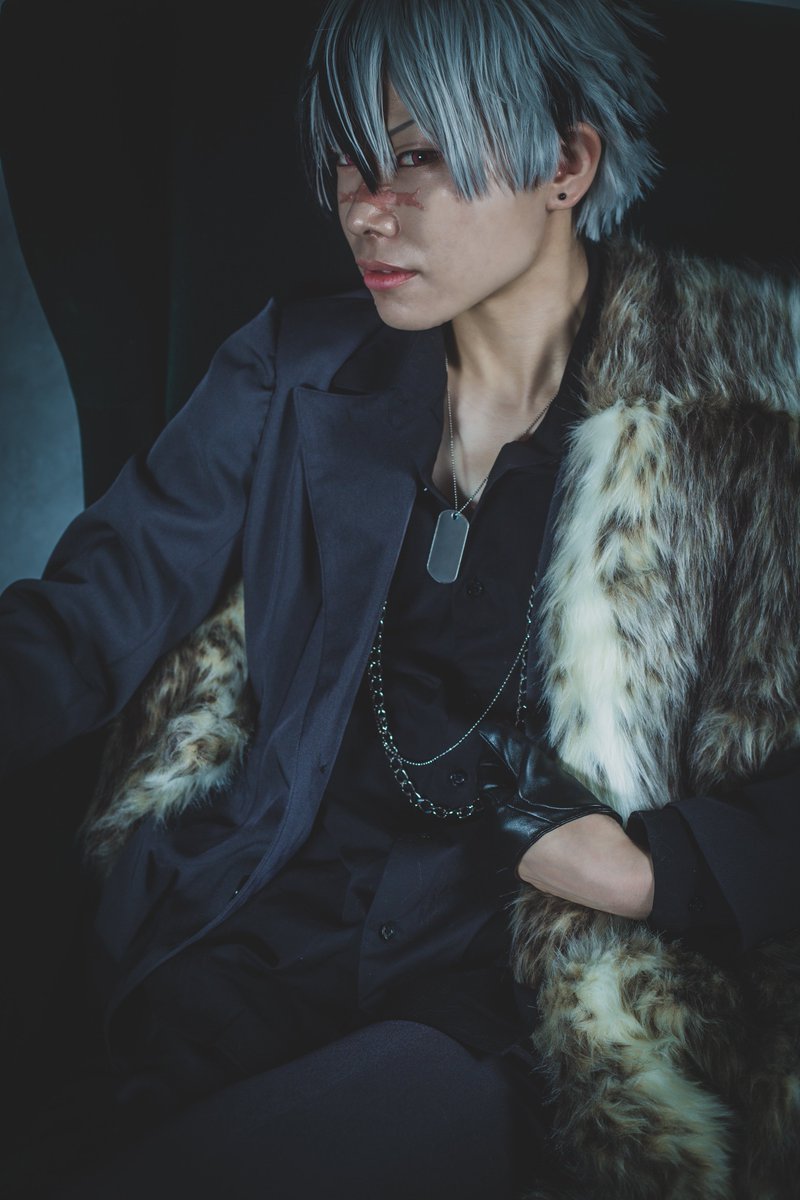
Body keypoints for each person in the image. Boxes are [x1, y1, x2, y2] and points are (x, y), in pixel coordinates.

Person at [1, 0, 799, 1197]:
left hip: (506, 989)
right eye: (346, 161)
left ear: (565, 164)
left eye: (416, 157)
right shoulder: (291, 368)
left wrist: (657, 869)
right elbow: (84, 618)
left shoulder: (742, 421)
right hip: (251, 928)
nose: (365, 208)